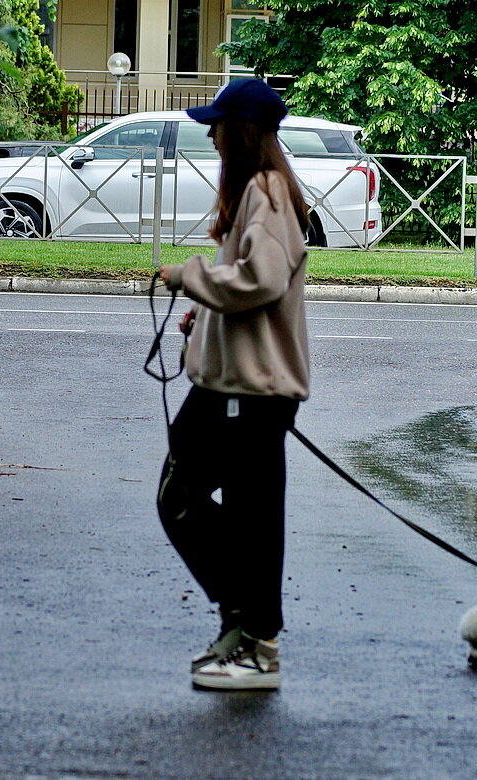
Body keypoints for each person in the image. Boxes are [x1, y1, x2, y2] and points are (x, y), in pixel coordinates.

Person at [155, 78, 310, 692]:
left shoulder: (268, 191)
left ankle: (256, 638)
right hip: (231, 384)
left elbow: (262, 281)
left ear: (241, 132)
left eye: (217, 124)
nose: (210, 133)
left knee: (203, 502)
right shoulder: (257, 193)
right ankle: (246, 627)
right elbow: (247, 285)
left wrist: (188, 277)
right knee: (217, 506)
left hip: (251, 392)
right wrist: (208, 311)